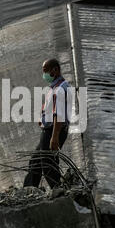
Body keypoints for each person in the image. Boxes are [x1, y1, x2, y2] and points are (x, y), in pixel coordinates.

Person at [23, 58, 71, 188]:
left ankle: (57, 190)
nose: (44, 75)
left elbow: (59, 115)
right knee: (35, 161)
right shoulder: (55, 87)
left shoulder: (60, 88)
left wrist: (54, 137)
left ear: (55, 70)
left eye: (45, 71)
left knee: (48, 162)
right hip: (50, 130)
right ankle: (29, 190)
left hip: (53, 131)